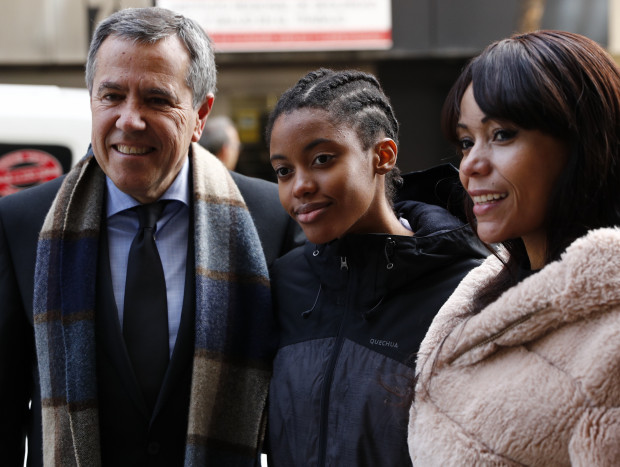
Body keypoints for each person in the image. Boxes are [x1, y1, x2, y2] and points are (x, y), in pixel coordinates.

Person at [0, 7, 302, 467]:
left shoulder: (270, 218)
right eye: (112, 96)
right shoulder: (23, 223)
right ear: (92, 102)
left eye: (157, 99)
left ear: (201, 113)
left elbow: (293, 408)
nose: (129, 120)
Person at [408, 30, 620, 465]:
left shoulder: (611, 336)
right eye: (466, 141)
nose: (470, 165)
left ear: (584, 145)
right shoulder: (480, 286)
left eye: (502, 135)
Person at [264, 68, 486, 466]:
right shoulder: (285, 281)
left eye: (322, 159)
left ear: (382, 156)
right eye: (284, 170)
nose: (299, 185)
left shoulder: (466, 287)